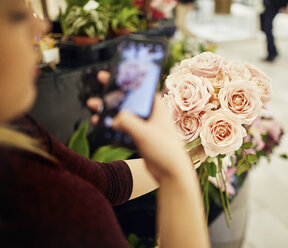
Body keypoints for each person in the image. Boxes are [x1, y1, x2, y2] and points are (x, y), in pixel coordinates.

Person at [0, 0, 210, 247]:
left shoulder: (17, 130)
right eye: (17, 16)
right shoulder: (47, 213)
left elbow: (104, 181)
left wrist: (182, 157)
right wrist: (178, 179)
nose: (41, 25)